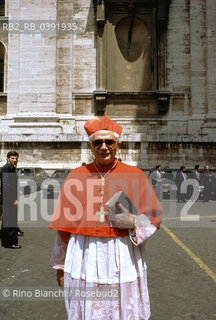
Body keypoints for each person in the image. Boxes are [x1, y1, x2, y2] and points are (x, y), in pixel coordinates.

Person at [49, 113, 163, 320]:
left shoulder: (135, 174)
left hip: (121, 250)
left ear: (118, 145)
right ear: (90, 146)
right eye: (98, 142)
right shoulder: (76, 175)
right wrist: (60, 266)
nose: (103, 147)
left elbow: (153, 216)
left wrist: (134, 222)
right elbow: (64, 227)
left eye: (109, 142)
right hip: (84, 251)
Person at [0, 151, 22, 249]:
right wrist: (13, 199)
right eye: (13, 158)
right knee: (10, 219)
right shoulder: (6, 168)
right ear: (8, 158)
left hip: (10, 197)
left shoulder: (11, 167)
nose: (15, 160)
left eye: (16, 158)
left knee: (9, 219)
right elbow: (7, 186)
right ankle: (10, 242)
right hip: (9, 198)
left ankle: (7, 241)